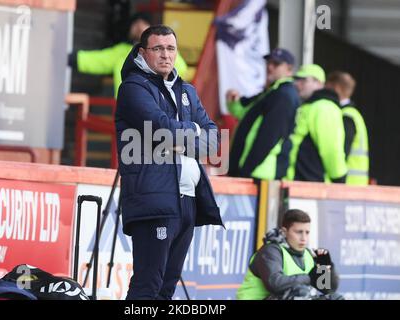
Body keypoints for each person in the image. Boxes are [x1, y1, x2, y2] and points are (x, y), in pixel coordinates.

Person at [115, 25, 223, 300]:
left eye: (170, 48)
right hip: (155, 200)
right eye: (158, 48)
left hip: (187, 200)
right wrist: (193, 133)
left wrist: (183, 137)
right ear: (143, 53)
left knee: (166, 288)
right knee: (147, 286)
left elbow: (213, 140)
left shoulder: (186, 90)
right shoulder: (133, 88)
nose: (165, 55)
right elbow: (161, 129)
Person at [70, 13, 188, 97]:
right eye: (135, 24)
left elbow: (180, 67)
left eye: (143, 24)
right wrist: (74, 59)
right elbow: (100, 60)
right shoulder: (123, 52)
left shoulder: (163, 49)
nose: (139, 27)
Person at [227, 48, 301, 180]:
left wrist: (246, 169)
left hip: (260, 174)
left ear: (289, 69)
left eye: (276, 64)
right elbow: (244, 113)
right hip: (256, 172)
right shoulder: (273, 91)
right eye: (268, 63)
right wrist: (233, 102)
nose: (269, 67)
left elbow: (269, 137)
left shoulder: (283, 95)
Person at [236, 209, 340, 300]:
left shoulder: (308, 254)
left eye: (307, 232)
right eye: (299, 232)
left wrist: (326, 267)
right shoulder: (270, 251)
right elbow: (275, 284)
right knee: (299, 294)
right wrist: (309, 277)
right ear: (285, 232)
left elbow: (328, 289)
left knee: (336, 298)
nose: (303, 238)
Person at [286, 64, 347, 183]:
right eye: (297, 80)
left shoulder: (324, 107)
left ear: (318, 83)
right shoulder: (308, 106)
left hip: (311, 186)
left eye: (304, 80)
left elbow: (331, 149)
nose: (298, 84)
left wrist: (338, 179)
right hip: (299, 183)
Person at [326, 71, 369, 185]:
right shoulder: (353, 114)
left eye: (327, 87)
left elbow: (342, 151)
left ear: (336, 87)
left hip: (347, 184)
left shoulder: (346, 116)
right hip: (354, 184)